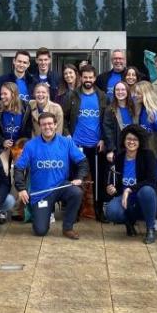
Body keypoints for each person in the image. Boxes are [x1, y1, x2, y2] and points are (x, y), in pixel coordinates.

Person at [13, 112, 86, 239]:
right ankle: (41, 213)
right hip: (41, 192)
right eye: (44, 124)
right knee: (40, 231)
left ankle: (68, 228)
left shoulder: (66, 142)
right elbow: (19, 168)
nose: (47, 127)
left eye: (50, 124)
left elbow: (82, 162)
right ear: (39, 126)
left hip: (60, 187)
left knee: (76, 192)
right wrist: (21, 188)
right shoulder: (31, 145)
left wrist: (79, 178)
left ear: (56, 125)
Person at [62, 64, 107, 217]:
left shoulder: (102, 96)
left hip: (96, 145)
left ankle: (98, 210)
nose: (88, 80)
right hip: (77, 145)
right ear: (81, 78)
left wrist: (103, 138)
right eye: (85, 77)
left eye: (91, 77)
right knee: (76, 179)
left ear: (94, 78)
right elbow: (64, 118)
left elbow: (106, 121)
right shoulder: (72, 95)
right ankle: (74, 212)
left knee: (98, 179)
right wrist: (68, 135)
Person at [103, 125, 157, 244]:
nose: (131, 142)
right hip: (126, 200)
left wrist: (129, 189)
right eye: (128, 139)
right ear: (124, 140)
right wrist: (111, 188)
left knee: (147, 191)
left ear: (140, 141)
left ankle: (150, 229)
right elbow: (115, 182)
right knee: (111, 211)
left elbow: (152, 180)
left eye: (135, 139)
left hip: (145, 199)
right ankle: (128, 222)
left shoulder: (148, 155)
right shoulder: (119, 157)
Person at [0, 81, 31, 175]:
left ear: (13, 94)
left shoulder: (26, 108)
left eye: (5, 94)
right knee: (3, 172)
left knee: (20, 171)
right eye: (1, 94)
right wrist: (2, 141)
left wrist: (20, 144)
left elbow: (29, 131)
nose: (2, 97)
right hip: (2, 148)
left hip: (20, 147)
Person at [102, 80, 139, 165]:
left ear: (127, 91)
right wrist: (111, 150)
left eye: (123, 90)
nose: (120, 92)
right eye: (117, 90)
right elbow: (108, 132)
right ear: (114, 92)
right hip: (118, 149)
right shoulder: (110, 110)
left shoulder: (134, 108)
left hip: (134, 146)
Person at [132, 80, 157, 152]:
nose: (135, 95)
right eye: (135, 92)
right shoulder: (139, 110)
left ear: (146, 94)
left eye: (138, 93)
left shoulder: (155, 115)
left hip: (155, 153)